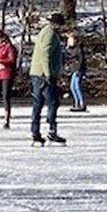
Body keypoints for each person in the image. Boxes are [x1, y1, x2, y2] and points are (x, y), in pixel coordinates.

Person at [29, 13, 66, 145]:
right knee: (53, 102)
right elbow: (45, 54)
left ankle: (35, 133)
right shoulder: (50, 34)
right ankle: (51, 131)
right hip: (43, 76)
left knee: (38, 104)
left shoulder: (45, 31)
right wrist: (48, 73)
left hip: (37, 73)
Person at [67, 33, 87, 112]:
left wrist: (78, 69)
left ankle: (82, 104)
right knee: (72, 87)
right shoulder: (72, 49)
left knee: (77, 86)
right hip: (74, 70)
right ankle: (76, 103)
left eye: (71, 40)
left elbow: (81, 60)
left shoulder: (79, 49)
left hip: (78, 70)